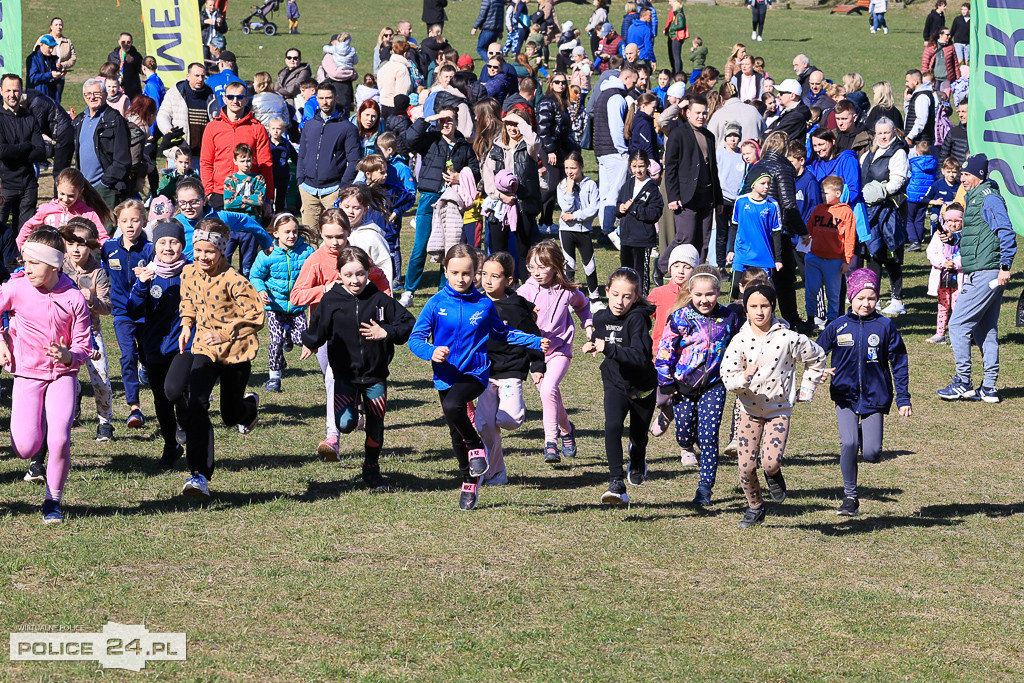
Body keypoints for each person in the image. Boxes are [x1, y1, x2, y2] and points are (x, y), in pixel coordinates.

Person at [409, 244, 547, 510]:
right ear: (445, 272)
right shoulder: (436, 303)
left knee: (453, 406)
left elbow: (502, 333)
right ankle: (469, 483)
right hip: (446, 375)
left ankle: (475, 445)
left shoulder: (483, 304)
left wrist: (533, 341)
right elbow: (415, 339)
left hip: (476, 373)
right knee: (455, 432)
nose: (461, 279)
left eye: (467, 273)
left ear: (475, 273)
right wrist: (431, 351)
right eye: (455, 273)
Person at [300, 245, 414, 488]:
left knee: (376, 425)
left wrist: (387, 331)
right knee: (345, 424)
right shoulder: (331, 300)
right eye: (349, 274)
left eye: (360, 273)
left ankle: (371, 468)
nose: (355, 280)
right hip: (345, 375)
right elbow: (319, 327)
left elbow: (407, 322)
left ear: (369, 272)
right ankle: (354, 410)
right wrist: (310, 342)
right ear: (339, 274)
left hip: (375, 376)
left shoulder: (380, 299)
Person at [0, 227, 92, 523]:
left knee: (60, 441)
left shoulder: (74, 298)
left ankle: (53, 501)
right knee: (25, 447)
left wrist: (69, 356)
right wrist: (1, 341)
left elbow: (85, 345)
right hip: (27, 374)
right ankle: (36, 420)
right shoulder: (16, 288)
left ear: (54, 265)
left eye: (34, 263)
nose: (26, 269)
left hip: (63, 376)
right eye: (24, 262)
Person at [721, 282, 826, 528]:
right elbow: (727, 376)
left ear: (773, 307)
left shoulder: (788, 338)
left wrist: (806, 390)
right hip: (748, 411)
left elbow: (817, 357)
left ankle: (773, 474)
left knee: (770, 462)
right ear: (745, 309)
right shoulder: (739, 340)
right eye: (753, 306)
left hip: (778, 411)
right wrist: (744, 377)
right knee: (746, 468)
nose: (759, 311)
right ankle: (755, 507)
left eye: (765, 306)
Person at [290, 209, 390, 460]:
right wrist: (324, 289)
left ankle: (332, 438)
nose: (335, 242)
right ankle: (352, 408)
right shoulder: (315, 260)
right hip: (326, 333)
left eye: (340, 236)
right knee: (335, 381)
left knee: (332, 380)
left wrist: (384, 313)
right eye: (329, 237)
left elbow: (381, 281)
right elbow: (296, 296)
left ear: (348, 232)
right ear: (320, 234)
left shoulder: (356, 258)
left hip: (360, 332)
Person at [177, 218, 265, 499]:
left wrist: (226, 333)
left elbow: (257, 315)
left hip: (236, 352)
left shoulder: (234, 280)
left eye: (210, 252)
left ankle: (248, 408)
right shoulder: (188, 272)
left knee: (230, 415)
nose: (203, 257)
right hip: (204, 348)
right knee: (197, 404)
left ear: (222, 250)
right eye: (198, 250)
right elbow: (188, 300)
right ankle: (199, 474)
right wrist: (187, 324)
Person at [817, 268, 911, 517]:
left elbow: (899, 362)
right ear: (851, 297)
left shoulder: (885, 326)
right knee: (848, 443)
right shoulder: (838, 326)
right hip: (845, 395)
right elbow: (815, 352)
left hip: (875, 397)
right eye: (860, 298)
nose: (866, 303)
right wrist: (819, 370)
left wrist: (903, 398)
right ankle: (850, 498)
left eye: (871, 298)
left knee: (872, 453)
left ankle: (862, 434)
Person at [656, 264, 740, 505]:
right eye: (699, 294)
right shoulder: (680, 317)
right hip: (682, 386)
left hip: (714, 385)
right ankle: (682, 437)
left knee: (709, 436)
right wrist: (666, 381)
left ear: (718, 292)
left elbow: (740, 346)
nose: (705, 300)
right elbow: (665, 350)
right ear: (690, 293)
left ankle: (705, 488)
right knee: (684, 435)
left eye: (710, 294)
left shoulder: (729, 317)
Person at [936, 154, 1016, 403]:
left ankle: (963, 382)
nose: (963, 179)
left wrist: (1005, 266)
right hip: (984, 271)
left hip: (986, 273)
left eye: (967, 175)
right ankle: (989, 388)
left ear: (980, 176)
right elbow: (980, 233)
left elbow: (1006, 232)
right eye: (961, 174)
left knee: (958, 326)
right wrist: (955, 238)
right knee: (985, 330)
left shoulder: (989, 198)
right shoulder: (975, 197)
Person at [577, 266, 656, 504]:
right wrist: (593, 343)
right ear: (607, 291)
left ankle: (638, 456)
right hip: (615, 383)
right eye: (615, 294)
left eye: (627, 297)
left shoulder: (637, 320)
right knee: (612, 426)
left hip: (642, 388)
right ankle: (616, 482)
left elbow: (640, 357)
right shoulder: (601, 318)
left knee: (639, 437)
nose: (619, 302)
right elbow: (603, 337)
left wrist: (608, 348)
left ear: (636, 297)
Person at [475, 252, 547, 485]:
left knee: (508, 420)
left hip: (510, 371)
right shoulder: (475, 302)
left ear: (508, 280)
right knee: (485, 425)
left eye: (494, 276)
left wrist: (537, 364)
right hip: (484, 372)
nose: (487, 280)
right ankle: (496, 472)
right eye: (484, 274)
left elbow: (532, 336)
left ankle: (510, 410)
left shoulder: (516, 308)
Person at [518, 240, 593, 464]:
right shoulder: (524, 292)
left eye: (542, 267)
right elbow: (511, 316)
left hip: (560, 348)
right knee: (549, 393)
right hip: (535, 354)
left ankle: (550, 442)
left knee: (549, 389)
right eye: (532, 267)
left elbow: (582, 305)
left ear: (556, 266)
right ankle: (567, 429)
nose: (536, 272)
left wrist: (588, 324)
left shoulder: (567, 291)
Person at [125, 220, 192, 470]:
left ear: (182, 245)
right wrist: (142, 285)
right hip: (154, 347)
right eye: (162, 242)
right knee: (161, 401)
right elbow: (133, 311)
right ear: (155, 247)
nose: (168, 247)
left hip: (185, 346)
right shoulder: (147, 273)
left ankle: (184, 418)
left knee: (176, 391)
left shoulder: (192, 272)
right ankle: (170, 446)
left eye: (174, 242)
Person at [400, 108, 480, 307]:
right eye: (441, 120)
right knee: (420, 246)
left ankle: (445, 291)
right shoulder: (430, 140)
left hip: (452, 200)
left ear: (456, 121)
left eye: (449, 120)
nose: (445, 124)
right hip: (429, 197)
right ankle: (409, 291)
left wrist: (460, 177)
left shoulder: (464, 146)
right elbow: (409, 139)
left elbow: (476, 171)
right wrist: (427, 119)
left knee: (449, 248)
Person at [61, 219, 114, 442]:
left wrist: (92, 299)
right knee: (65, 378)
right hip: (63, 333)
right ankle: (68, 409)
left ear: (91, 245)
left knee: (101, 379)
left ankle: (105, 424)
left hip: (91, 332)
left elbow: (107, 308)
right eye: (71, 243)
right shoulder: (58, 266)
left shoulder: (97, 272)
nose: (75, 249)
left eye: (81, 244)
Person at [250, 214, 315, 393]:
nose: (292, 236)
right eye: (287, 232)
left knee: (301, 339)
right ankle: (274, 378)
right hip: (275, 306)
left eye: (294, 232)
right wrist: (261, 290)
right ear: (276, 233)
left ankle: (289, 337)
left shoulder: (307, 252)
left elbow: (316, 271)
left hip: (297, 306)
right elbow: (255, 276)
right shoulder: (267, 254)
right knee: (275, 341)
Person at [101, 199, 151, 427]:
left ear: (144, 221)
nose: (130, 225)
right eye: (124, 221)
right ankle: (134, 407)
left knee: (148, 356)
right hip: (122, 312)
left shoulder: (151, 250)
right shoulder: (109, 248)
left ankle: (147, 368)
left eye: (135, 220)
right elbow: (101, 272)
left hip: (148, 313)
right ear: (117, 223)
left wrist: (149, 276)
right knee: (128, 356)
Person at [661, 94, 721, 265]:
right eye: (697, 113)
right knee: (685, 236)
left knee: (703, 239)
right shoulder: (678, 134)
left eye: (704, 113)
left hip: (706, 196)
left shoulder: (709, 136)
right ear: (688, 113)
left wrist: (718, 199)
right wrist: (673, 197)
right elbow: (670, 168)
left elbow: (713, 169)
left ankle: (697, 273)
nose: (701, 116)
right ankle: (662, 265)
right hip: (685, 196)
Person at [860, 117, 909, 316]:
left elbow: (898, 180)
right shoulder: (869, 154)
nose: (883, 136)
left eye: (886, 132)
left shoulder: (898, 152)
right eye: (879, 133)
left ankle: (897, 299)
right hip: (871, 211)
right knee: (873, 253)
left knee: (891, 255)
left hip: (890, 211)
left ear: (893, 132)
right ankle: (874, 297)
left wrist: (879, 192)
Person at [297, 82, 360, 233]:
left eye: (328, 98)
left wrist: (343, 186)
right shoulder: (309, 125)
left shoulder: (348, 128)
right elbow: (302, 155)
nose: (324, 102)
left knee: (337, 234)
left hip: (333, 191)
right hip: (308, 189)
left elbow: (355, 160)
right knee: (309, 237)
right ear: (316, 99)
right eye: (321, 98)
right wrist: (300, 180)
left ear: (336, 98)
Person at [0, 75, 46, 269]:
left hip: (28, 184)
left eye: (16, 90)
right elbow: (2, 151)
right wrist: (27, 146)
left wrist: (15, 151)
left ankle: (20, 272)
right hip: (3, 186)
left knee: (25, 235)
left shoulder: (29, 118)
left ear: (22, 92)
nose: (12, 94)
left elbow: (41, 151)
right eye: (8, 90)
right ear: (1, 91)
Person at [593, 66, 638, 249]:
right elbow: (616, 127)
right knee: (615, 192)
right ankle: (608, 231)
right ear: (626, 77)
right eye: (633, 81)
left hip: (602, 150)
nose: (633, 85)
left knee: (605, 193)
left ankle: (604, 230)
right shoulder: (616, 97)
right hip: (614, 151)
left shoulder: (603, 93)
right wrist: (623, 151)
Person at [804, 176, 857, 325]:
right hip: (814, 257)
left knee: (833, 292)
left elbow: (849, 238)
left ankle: (832, 320)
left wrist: (846, 261)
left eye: (826, 193)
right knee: (811, 290)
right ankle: (810, 318)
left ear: (838, 193)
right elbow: (809, 228)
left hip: (834, 260)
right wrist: (806, 237)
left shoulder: (846, 212)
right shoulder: (819, 209)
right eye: (822, 192)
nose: (822, 195)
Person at [16, 168, 112, 249]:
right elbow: (28, 227)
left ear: (80, 192)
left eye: (71, 196)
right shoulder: (46, 210)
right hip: (51, 258)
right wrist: (20, 247)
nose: (65, 199)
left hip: (76, 260)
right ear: (57, 186)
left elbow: (102, 236)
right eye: (62, 194)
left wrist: (109, 251)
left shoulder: (87, 213)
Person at [73, 78, 132, 210]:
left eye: (97, 93)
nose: (92, 97)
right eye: (88, 94)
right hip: (83, 189)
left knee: (106, 223)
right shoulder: (79, 120)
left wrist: (105, 184)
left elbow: (123, 160)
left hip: (107, 189)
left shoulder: (115, 120)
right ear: (84, 96)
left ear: (105, 95)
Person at [557, 151, 602, 306]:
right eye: (567, 168)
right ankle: (569, 299)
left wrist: (574, 216)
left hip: (583, 231)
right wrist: (569, 190)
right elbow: (565, 208)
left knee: (590, 265)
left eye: (573, 168)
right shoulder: (562, 185)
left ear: (581, 167)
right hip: (567, 231)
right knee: (569, 265)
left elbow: (593, 209)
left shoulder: (590, 185)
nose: (570, 171)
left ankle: (595, 298)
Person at [615, 150, 663, 293]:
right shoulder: (628, 184)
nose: (638, 170)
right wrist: (620, 209)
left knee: (640, 274)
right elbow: (618, 203)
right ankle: (627, 298)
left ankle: (642, 299)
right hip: (626, 237)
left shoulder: (652, 188)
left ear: (647, 165)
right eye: (634, 166)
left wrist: (634, 208)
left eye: (641, 166)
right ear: (630, 166)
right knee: (625, 273)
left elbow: (655, 213)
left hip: (643, 238)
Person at [156, 63, 219, 162]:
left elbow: (217, 121)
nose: (200, 79)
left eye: (203, 76)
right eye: (197, 76)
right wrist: (168, 130)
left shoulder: (211, 96)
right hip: (179, 154)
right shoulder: (174, 94)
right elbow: (162, 116)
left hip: (203, 155)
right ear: (188, 76)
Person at [729, 173, 782, 282]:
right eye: (762, 183)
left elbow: (776, 233)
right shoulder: (741, 201)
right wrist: (731, 250)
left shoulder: (772, 205)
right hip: (741, 254)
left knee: (762, 289)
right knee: (736, 286)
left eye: (768, 183)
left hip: (763, 255)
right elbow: (734, 226)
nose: (766, 186)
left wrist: (778, 259)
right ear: (753, 184)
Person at [336, 184, 394, 285]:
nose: (350, 211)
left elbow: (385, 269)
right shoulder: (333, 234)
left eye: (356, 208)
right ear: (340, 205)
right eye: (347, 207)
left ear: (365, 210)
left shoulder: (372, 237)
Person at [925, 203, 963, 343]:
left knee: (957, 308)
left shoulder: (965, 237)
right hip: (942, 278)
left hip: (959, 278)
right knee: (942, 306)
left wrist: (956, 263)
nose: (953, 224)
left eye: (957, 221)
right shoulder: (938, 235)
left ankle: (957, 336)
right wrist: (943, 262)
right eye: (949, 220)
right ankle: (940, 333)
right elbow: (931, 253)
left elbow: (968, 255)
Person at [716, 124, 745, 267]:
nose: (733, 139)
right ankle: (720, 264)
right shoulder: (719, 154)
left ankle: (736, 261)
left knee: (738, 232)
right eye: (730, 136)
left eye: (736, 136)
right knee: (722, 233)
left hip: (738, 200)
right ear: (725, 138)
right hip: (723, 199)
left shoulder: (743, 155)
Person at [708, 82, 765, 147]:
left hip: (726, 153)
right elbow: (764, 134)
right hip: (752, 151)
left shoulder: (718, 115)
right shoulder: (753, 111)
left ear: (721, 98)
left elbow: (710, 141)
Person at [906, 141, 938, 251]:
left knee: (909, 219)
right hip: (925, 196)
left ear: (917, 153)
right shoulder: (933, 164)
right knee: (920, 218)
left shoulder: (913, 163)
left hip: (912, 195)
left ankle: (914, 240)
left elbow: (908, 176)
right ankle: (919, 240)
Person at [377, 40, 415, 121]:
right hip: (396, 107)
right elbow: (402, 92)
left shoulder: (385, 66)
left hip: (384, 104)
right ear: (405, 54)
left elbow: (380, 85)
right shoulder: (402, 69)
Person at [925, 156, 961, 232]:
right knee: (936, 236)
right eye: (948, 172)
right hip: (937, 218)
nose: (951, 175)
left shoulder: (960, 187)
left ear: (958, 172)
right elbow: (925, 199)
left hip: (952, 221)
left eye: (954, 172)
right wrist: (935, 202)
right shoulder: (937, 185)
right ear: (943, 171)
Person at [46, 18, 76, 105]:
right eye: (56, 25)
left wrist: (62, 65)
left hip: (60, 77)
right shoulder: (44, 39)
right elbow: (36, 55)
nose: (58, 27)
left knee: (57, 102)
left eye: (60, 25)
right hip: (46, 76)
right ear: (51, 27)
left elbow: (73, 58)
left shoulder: (67, 42)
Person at [26, 35, 64, 101]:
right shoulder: (33, 58)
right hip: (37, 97)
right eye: (49, 47)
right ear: (42, 45)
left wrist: (59, 73)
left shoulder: (52, 58)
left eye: (53, 48)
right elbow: (32, 78)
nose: (51, 50)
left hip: (51, 96)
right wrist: (50, 75)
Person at [904, 70, 936, 147]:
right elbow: (910, 115)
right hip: (916, 142)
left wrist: (910, 137)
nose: (906, 84)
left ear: (915, 81)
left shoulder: (922, 97)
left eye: (907, 81)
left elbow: (921, 121)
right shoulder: (918, 95)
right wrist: (907, 101)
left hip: (919, 144)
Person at [108, 33, 144, 100]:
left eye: (128, 42)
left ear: (132, 43)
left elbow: (142, 71)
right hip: (116, 91)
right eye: (123, 42)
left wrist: (134, 61)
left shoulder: (136, 56)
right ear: (119, 42)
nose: (126, 44)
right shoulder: (112, 56)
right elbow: (108, 73)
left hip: (132, 92)